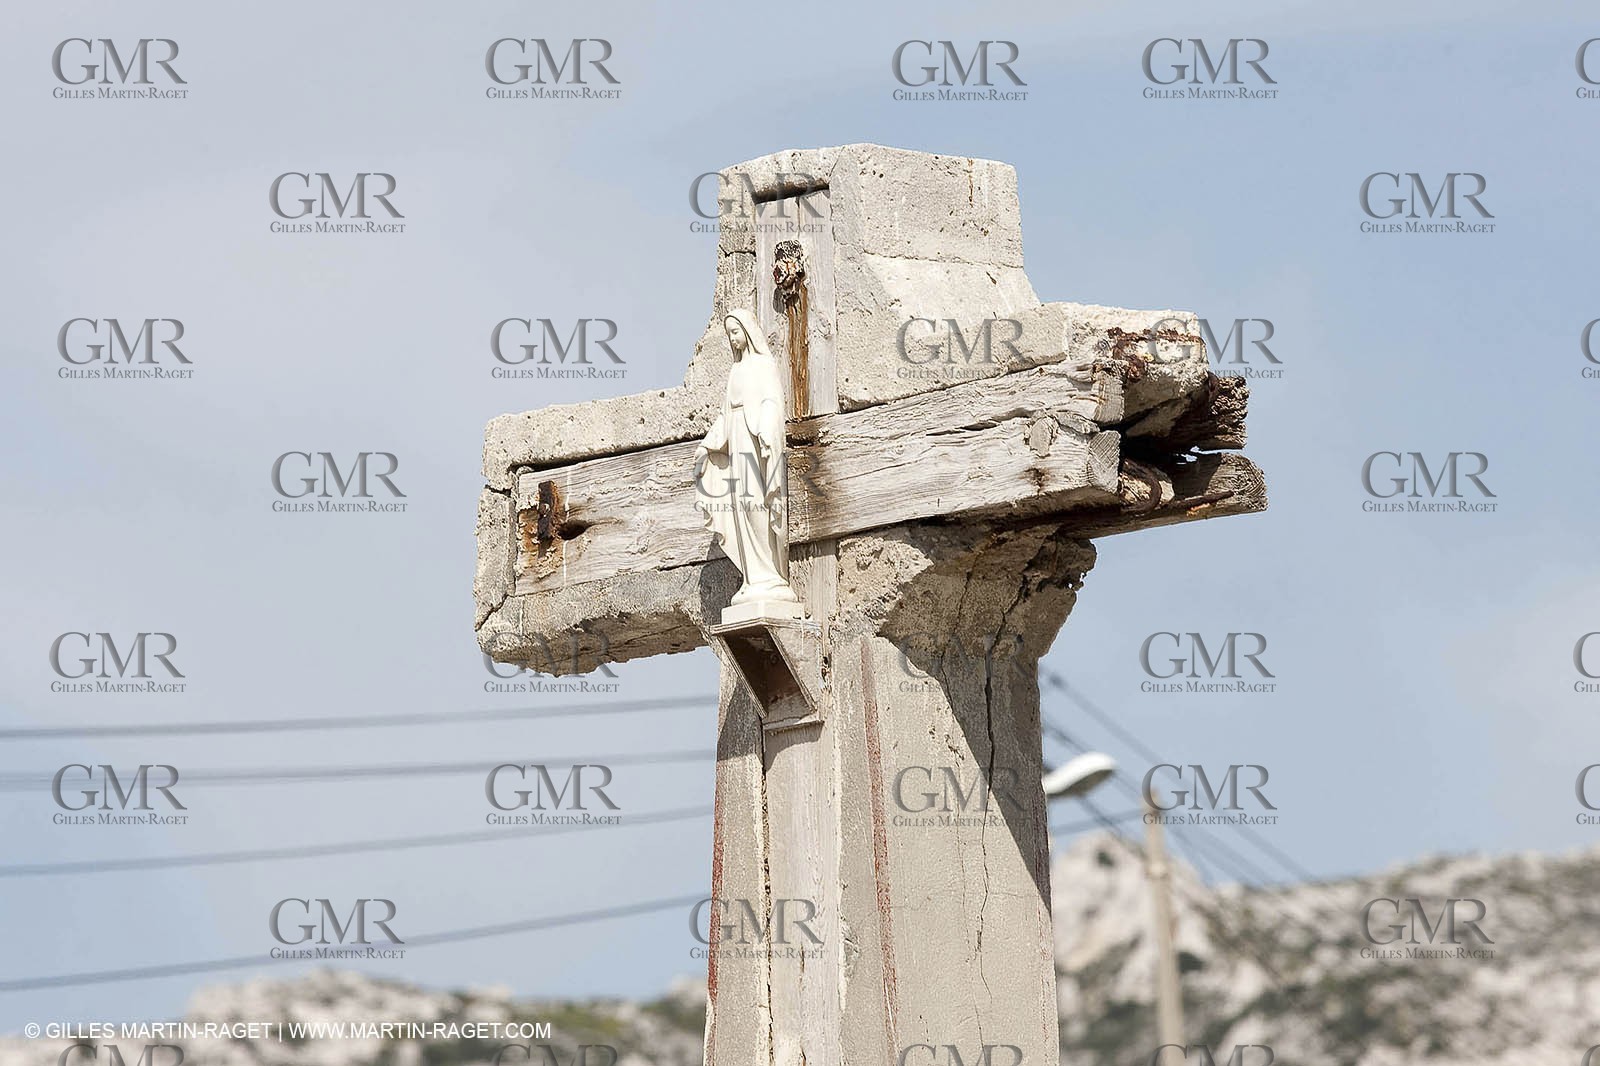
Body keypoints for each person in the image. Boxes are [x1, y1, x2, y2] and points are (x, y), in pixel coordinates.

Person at [693, 309, 798, 609]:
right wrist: (707, 445)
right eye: (729, 334)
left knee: (757, 503)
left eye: (736, 332)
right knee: (741, 506)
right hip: (737, 440)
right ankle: (753, 576)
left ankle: (770, 573)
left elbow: (772, 401)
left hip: (756, 441)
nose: (732, 339)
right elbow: (725, 414)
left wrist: (766, 427)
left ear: (748, 332)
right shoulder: (735, 371)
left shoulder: (763, 365)